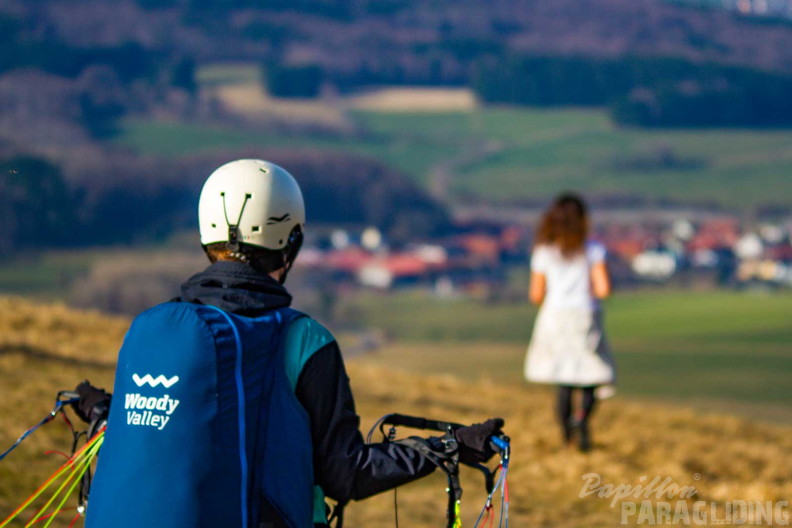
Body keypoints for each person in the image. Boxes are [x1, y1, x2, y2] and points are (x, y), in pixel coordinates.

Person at [74, 159, 504, 528]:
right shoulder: (303, 340)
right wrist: (444, 448)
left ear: (207, 237)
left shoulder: (155, 328)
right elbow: (345, 475)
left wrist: (102, 411)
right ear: (290, 244)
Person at [523, 192, 615, 452]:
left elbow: (536, 295)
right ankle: (582, 419)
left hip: (554, 316)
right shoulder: (593, 250)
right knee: (591, 375)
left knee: (564, 380)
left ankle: (567, 437)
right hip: (585, 315)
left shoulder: (544, 252)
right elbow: (604, 289)